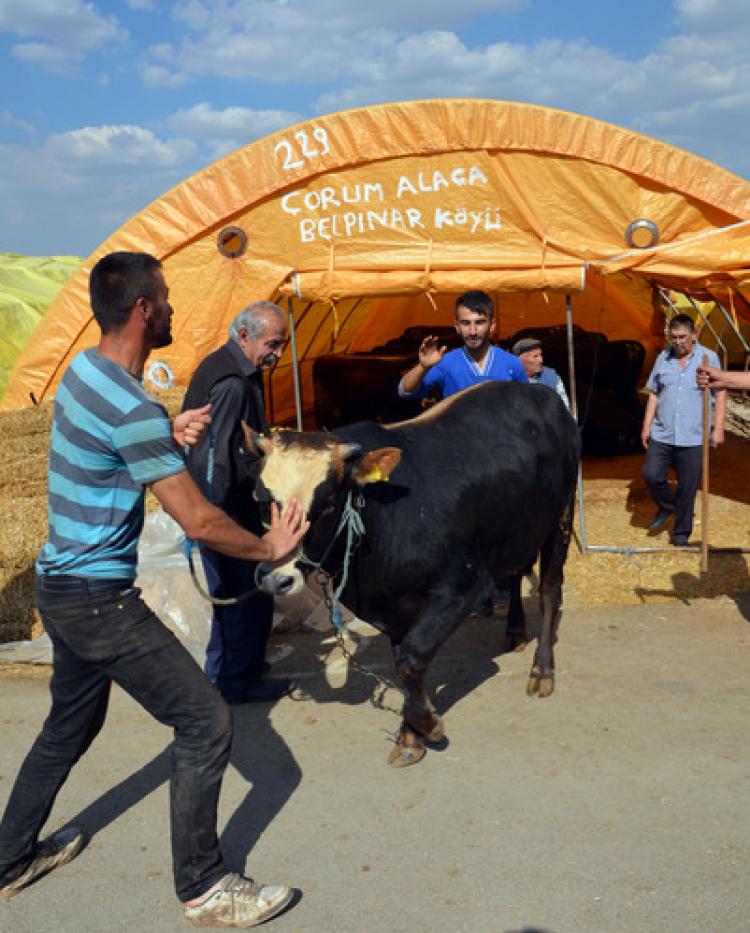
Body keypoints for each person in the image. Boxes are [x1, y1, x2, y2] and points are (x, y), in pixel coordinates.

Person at [0, 252, 308, 928]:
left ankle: (9, 859)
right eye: (165, 298)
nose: (171, 307)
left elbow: (100, 445)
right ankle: (204, 884)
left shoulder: (84, 371)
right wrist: (268, 547)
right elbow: (195, 517)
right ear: (143, 310)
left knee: (68, 725)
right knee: (206, 720)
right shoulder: (133, 405)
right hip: (99, 601)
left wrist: (163, 434)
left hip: (59, 584)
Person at [182, 302, 293, 704]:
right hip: (224, 508)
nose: (278, 354)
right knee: (240, 595)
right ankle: (235, 683)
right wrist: (216, 520)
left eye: (282, 345)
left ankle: (233, 670)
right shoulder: (230, 383)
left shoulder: (237, 368)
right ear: (244, 336)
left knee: (247, 595)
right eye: (273, 344)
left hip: (229, 505)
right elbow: (212, 461)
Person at [641, 313, 726, 546]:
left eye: (682, 337)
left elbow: (720, 394)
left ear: (694, 335)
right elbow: (654, 393)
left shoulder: (709, 358)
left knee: (688, 486)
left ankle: (681, 534)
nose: (677, 342)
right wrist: (646, 425)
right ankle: (669, 506)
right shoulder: (663, 358)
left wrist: (718, 428)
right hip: (663, 432)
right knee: (651, 474)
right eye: (673, 337)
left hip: (694, 434)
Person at [398, 289, 527, 400]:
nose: (472, 331)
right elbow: (405, 392)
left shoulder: (512, 363)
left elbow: (526, 404)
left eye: (479, 322)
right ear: (457, 327)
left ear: (492, 326)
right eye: (466, 323)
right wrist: (423, 367)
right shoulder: (445, 362)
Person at [511, 336, 570, 409]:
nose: (540, 360)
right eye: (535, 356)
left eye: (540, 355)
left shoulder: (551, 377)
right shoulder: (507, 378)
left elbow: (564, 407)